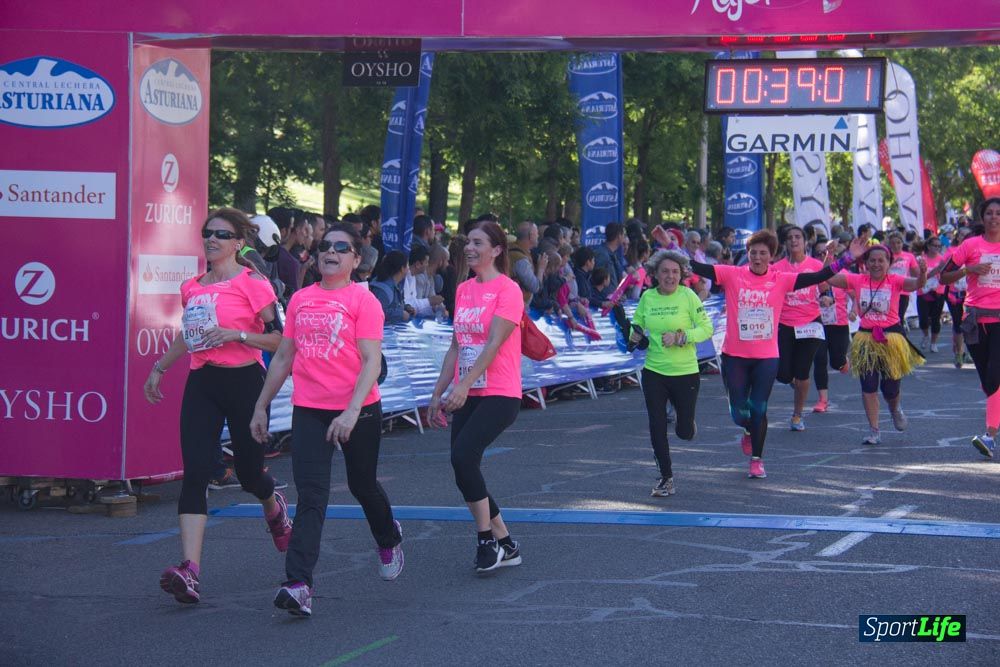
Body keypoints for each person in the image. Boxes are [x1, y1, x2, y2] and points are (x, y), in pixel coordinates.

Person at [251, 223, 403, 617]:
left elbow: (371, 361)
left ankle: (387, 536)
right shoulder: (301, 299)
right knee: (312, 496)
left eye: (341, 247)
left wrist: (352, 411)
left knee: (362, 485)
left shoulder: (363, 301)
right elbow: (284, 357)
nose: (330, 252)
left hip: (359, 409)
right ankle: (299, 584)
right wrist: (260, 405)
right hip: (311, 411)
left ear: (355, 259)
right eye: (324, 246)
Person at [143, 208, 287, 605]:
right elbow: (187, 335)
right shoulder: (192, 287)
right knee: (197, 469)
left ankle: (273, 505)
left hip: (245, 382)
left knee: (249, 474)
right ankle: (190, 570)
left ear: (239, 243)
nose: (211, 240)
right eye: (207, 233)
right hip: (203, 381)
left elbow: (279, 341)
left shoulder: (253, 283)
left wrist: (236, 333)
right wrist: (159, 368)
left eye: (221, 235)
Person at [670, 227, 866, 478]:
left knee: (759, 409)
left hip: (766, 356)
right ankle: (747, 430)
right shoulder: (732, 274)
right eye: (753, 253)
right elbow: (699, 268)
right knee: (739, 413)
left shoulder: (780, 278)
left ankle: (756, 459)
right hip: (735, 355)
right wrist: (673, 249)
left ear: (771, 256)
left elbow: (820, 276)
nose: (757, 257)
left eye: (763, 253)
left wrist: (848, 257)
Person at [428, 221, 524, 574]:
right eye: (467, 242)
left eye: (477, 243)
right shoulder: (464, 288)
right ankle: (506, 543)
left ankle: (486, 540)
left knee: (465, 457)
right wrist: (438, 391)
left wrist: (463, 385)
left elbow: (493, 344)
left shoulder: (508, 290)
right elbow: (457, 344)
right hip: (466, 388)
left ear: (496, 250)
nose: (469, 248)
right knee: (461, 464)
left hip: (499, 392)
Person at [825, 245, 927, 445]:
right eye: (873, 260)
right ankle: (874, 429)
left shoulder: (896, 281)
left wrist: (923, 272)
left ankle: (895, 408)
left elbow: (916, 284)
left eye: (882, 260)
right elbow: (828, 277)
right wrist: (830, 256)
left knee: (890, 388)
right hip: (865, 339)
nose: (877, 264)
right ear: (866, 263)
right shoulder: (857, 280)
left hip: (892, 339)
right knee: (869, 385)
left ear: (889, 263)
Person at [630, 250, 713, 497]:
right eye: (665, 271)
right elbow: (637, 326)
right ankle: (666, 478)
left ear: (682, 274)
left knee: (683, 431)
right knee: (656, 424)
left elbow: (707, 329)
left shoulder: (688, 297)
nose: (670, 276)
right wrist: (634, 337)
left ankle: (687, 424)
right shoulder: (648, 298)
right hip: (654, 370)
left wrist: (681, 337)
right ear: (655, 274)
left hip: (685, 372)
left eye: (675, 272)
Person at [940, 198, 1000, 458]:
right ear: (982, 217)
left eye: (999, 213)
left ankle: (990, 435)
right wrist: (969, 269)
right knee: (989, 383)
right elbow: (944, 276)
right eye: (989, 213)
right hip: (975, 319)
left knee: (995, 376)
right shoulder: (970, 245)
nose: (994, 217)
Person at [772, 226, 827, 431]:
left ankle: (797, 415)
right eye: (789, 238)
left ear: (805, 242)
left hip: (811, 323)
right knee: (783, 374)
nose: (793, 240)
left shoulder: (815, 265)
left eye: (797, 237)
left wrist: (827, 297)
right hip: (784, 323)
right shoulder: (776, 268)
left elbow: (824, 288)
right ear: (784, 243)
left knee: (803, 370)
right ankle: (796, 382)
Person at [811, 239, 854, 414]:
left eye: (826, 253)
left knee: (837, 362)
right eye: (819, 253)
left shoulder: (843, 274)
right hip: (817, 323)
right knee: (819, 360)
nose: (823, 256)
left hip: (839, 323)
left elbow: (854, 294)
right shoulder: (811, 274)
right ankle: (823, 400)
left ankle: (843, 362)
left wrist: (854, 311)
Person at [943, 226, 974, 368]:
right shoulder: (951, 251)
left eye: (967, 235)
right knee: (958, 324)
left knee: (972, 325)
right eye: (961, 234)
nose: (964, 237)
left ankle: (969, 352)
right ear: (957, 236)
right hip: (954, 293)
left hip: (972, 293)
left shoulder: (977, 250)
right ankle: (959, 353)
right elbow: (943, 271)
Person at [916, 236, 947, 352]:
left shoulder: (943, 259)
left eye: (939, 246)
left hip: (938, 292)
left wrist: (941, 272)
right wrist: (934, 271)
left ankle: (933, 343)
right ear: (928, 246)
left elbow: (945, 276)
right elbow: (919, 277)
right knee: (923, 319)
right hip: (923, 292)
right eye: (935, 245)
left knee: (935, 319)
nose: (937, 248)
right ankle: (925, 335)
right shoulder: (921, 259)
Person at [370, 250, 414, 324]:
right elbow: (379, 312)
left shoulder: (395, 286)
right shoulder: (383, 289)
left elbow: (393, 306)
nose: (408, 268)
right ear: (402, 269)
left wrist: (406, 308)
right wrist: (401, 314)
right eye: (407, 265)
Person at [886, 231, 919, 327]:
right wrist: (893, 262)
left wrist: (924, 270)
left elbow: (916, 273)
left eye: (898, 243)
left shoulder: (909, 256)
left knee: (899, 317)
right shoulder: (885, 255)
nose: (896, 245)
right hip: (888, 291)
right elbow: (881, 272)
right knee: (889, 317)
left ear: (902, 243)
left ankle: (899, 338)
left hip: (903, 291)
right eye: (892, 243)